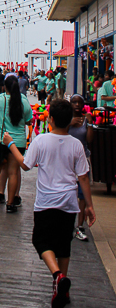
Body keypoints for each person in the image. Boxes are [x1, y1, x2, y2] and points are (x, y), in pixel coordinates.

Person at [4, 99, 96, 308]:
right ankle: (63, 288)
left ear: (51, 120)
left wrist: (10, 144)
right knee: (64, 245)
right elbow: (83, 177)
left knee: (40, 240)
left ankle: (58, 276)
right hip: (69, 203)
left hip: (46, 202)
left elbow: (26, 165)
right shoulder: (77, 145)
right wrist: (89, 205)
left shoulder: (41, 140)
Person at [0, 74, 33, 213]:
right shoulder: (24, 100)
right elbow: (28, 120)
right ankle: (10, 204)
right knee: (13, 172)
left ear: (4, 86)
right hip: (18, 142)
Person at [69, 94, 94, 242]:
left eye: (79, 103)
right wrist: (69, 123)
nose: (77, 105)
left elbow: (89, 140)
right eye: (74, 102)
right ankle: (68, 224)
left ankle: (79, 226)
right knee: (69, 192)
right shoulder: (66, 119)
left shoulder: (85, 119)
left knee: (82, 195)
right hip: (68, 162)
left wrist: (89, 124)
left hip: (82, 161)